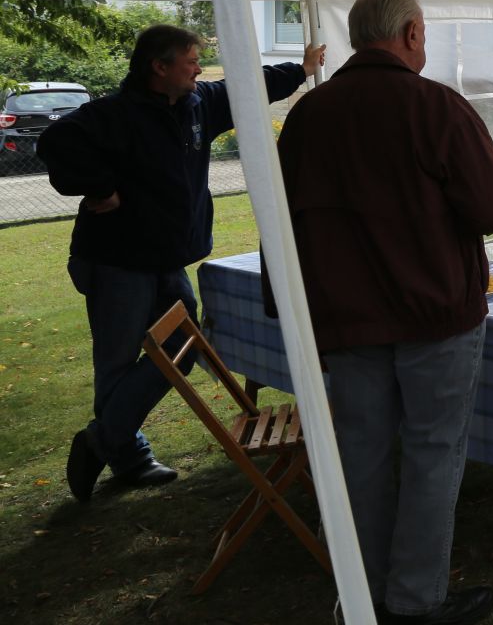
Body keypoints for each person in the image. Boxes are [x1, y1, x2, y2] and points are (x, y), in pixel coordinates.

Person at [277, 0, 493, 625]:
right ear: (410, 34)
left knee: (364, 455)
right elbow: (492, 207)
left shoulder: (307, 115)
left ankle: (365, 597)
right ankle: (413, 600)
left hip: (347, 320)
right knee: (434, 453)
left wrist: (290, 310)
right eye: (425, 33)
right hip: (433, 314)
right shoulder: (435, 107)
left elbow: (281, 221)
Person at [39, 25, 321, 503]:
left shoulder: (198, 104)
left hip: (168, 259)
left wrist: (301, 69)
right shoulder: (114, 115)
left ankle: (102, 441)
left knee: (183, 350)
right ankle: (126, 455)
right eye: (190, 60)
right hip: (116, 263)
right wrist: (100, 186)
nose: (198, 67)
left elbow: (248, 87)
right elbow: (55, 143)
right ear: (159, 67)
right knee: (117, 361)